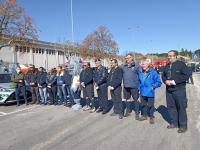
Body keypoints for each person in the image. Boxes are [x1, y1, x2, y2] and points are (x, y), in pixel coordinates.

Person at [162, 50, 189, 133]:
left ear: (175, 56)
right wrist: (165, 81)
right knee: (171, 107)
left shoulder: (181, 64)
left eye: (170, 55)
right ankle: (174, 123)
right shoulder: (166, 66)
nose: (169, 57)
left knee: (181, 107)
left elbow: (186, 75)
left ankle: (183, 125)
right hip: (169, 90)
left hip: (179, 90)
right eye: (168, 56)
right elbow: (163, 75)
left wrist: (173, 81)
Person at [138, 59, 162, 124]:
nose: (143, 65)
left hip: (150, 92)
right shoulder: (140, 72)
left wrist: (153, 86)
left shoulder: (153, 72)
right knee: (143, 104)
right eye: (142, 64)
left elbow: (159, 82)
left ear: (148, 65)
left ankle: (151, 117)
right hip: (142, 91)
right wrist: (139, 88)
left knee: (151, 105)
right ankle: (144, 116)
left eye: (144, 64)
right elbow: (138, 81)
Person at [121, 53, 140, 119]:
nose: (127, 59)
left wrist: (139, 85)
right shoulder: (123, 66)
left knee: (135, 100)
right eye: (126, 58)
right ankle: (128, 111)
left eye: (128, 58)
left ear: (132, 58)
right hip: (126, 86)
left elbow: (140, 75)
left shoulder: (137, 65)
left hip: (134, 86)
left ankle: (137, 112)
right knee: (127, 100)